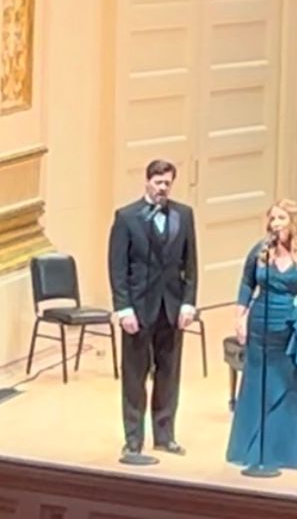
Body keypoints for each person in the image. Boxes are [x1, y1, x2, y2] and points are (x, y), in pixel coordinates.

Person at [226, 200, 297, 474]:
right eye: (272, 219)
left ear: (294, 222)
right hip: (262, 326)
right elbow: (246, 284)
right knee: (258, 384)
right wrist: (240, 317)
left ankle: (288, 452)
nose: (275, 224)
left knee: (291, 386)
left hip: (296, 326)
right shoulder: (261, 251)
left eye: (281, 218)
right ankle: (255, 450)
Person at [108, 158, 199, 466]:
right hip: (138, 308)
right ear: (147, 181)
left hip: (171, 308)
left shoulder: (183, 215)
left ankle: (165, 435)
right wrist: (123, 308)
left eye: (167, 183)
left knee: (168, 374)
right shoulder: (127, 217)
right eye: (158, 183)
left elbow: (191, 263)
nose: (163, 188)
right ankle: (133, 440)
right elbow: (117, 267)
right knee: (135, 377)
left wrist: (188, 302)